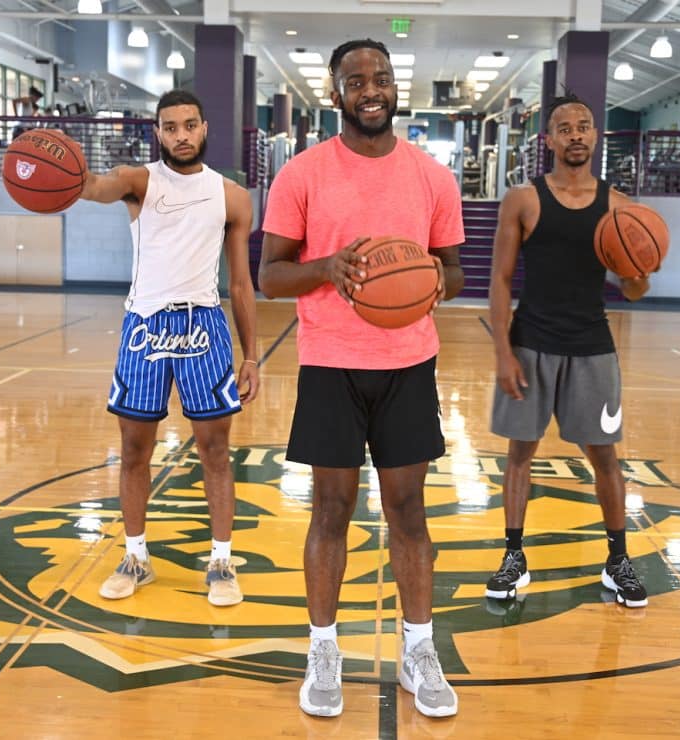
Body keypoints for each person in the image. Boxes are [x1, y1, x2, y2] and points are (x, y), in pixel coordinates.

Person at [259, 39, 464, 719]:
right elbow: (271, 275)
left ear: (393, 87)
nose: (370, 89)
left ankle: (419, 648)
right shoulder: (303, 174)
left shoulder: (432, 177)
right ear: (335, 91)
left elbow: (454, 271)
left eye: (380, 78)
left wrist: (434, 279)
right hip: (329, 363)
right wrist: (328, 269)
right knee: (330, 510)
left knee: (409, 511)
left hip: (409, 362)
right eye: (356, 80)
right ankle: (324, 649)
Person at [79, 89, 259, 606]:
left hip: (203, 324)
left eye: (189, 125)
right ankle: (136, 556)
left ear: (204, 129)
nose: (180, 135)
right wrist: (66, 169)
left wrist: (251, 356)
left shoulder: (231, 196)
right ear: (157, 133)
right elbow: (94, 187)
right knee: (135, 450)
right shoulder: (139, 181)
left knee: (216, 451)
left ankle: (221, 563)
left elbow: (242, 285)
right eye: (170, 127)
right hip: (144, 325)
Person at [487, 93, 650, 609]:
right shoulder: (524, 199)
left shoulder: (620, 207)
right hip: (531, 343)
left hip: (592, 347)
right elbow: (499, 278)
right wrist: (502, 353)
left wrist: (640, 267)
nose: (576, 134)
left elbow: (633, 291)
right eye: (565, 127)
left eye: (584, 126)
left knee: (605, 458)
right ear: (549, 140)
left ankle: (617, 558)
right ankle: (514, 554)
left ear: (595, 136)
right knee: (520, 454)